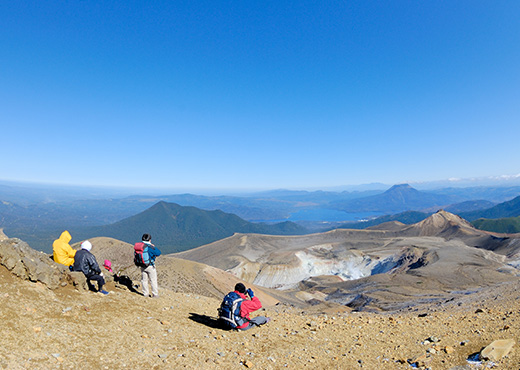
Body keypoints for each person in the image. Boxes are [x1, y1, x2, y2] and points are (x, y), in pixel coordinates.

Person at [139, 233, 161, 298]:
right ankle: (155, 294)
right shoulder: (150, 247)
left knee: (144, 280)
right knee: (153, 280)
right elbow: (158, 253)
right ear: (149, 240)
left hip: (142, 265)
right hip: (150, 266)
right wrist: (153, 246)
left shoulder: (140, 246)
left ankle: (145, 294)